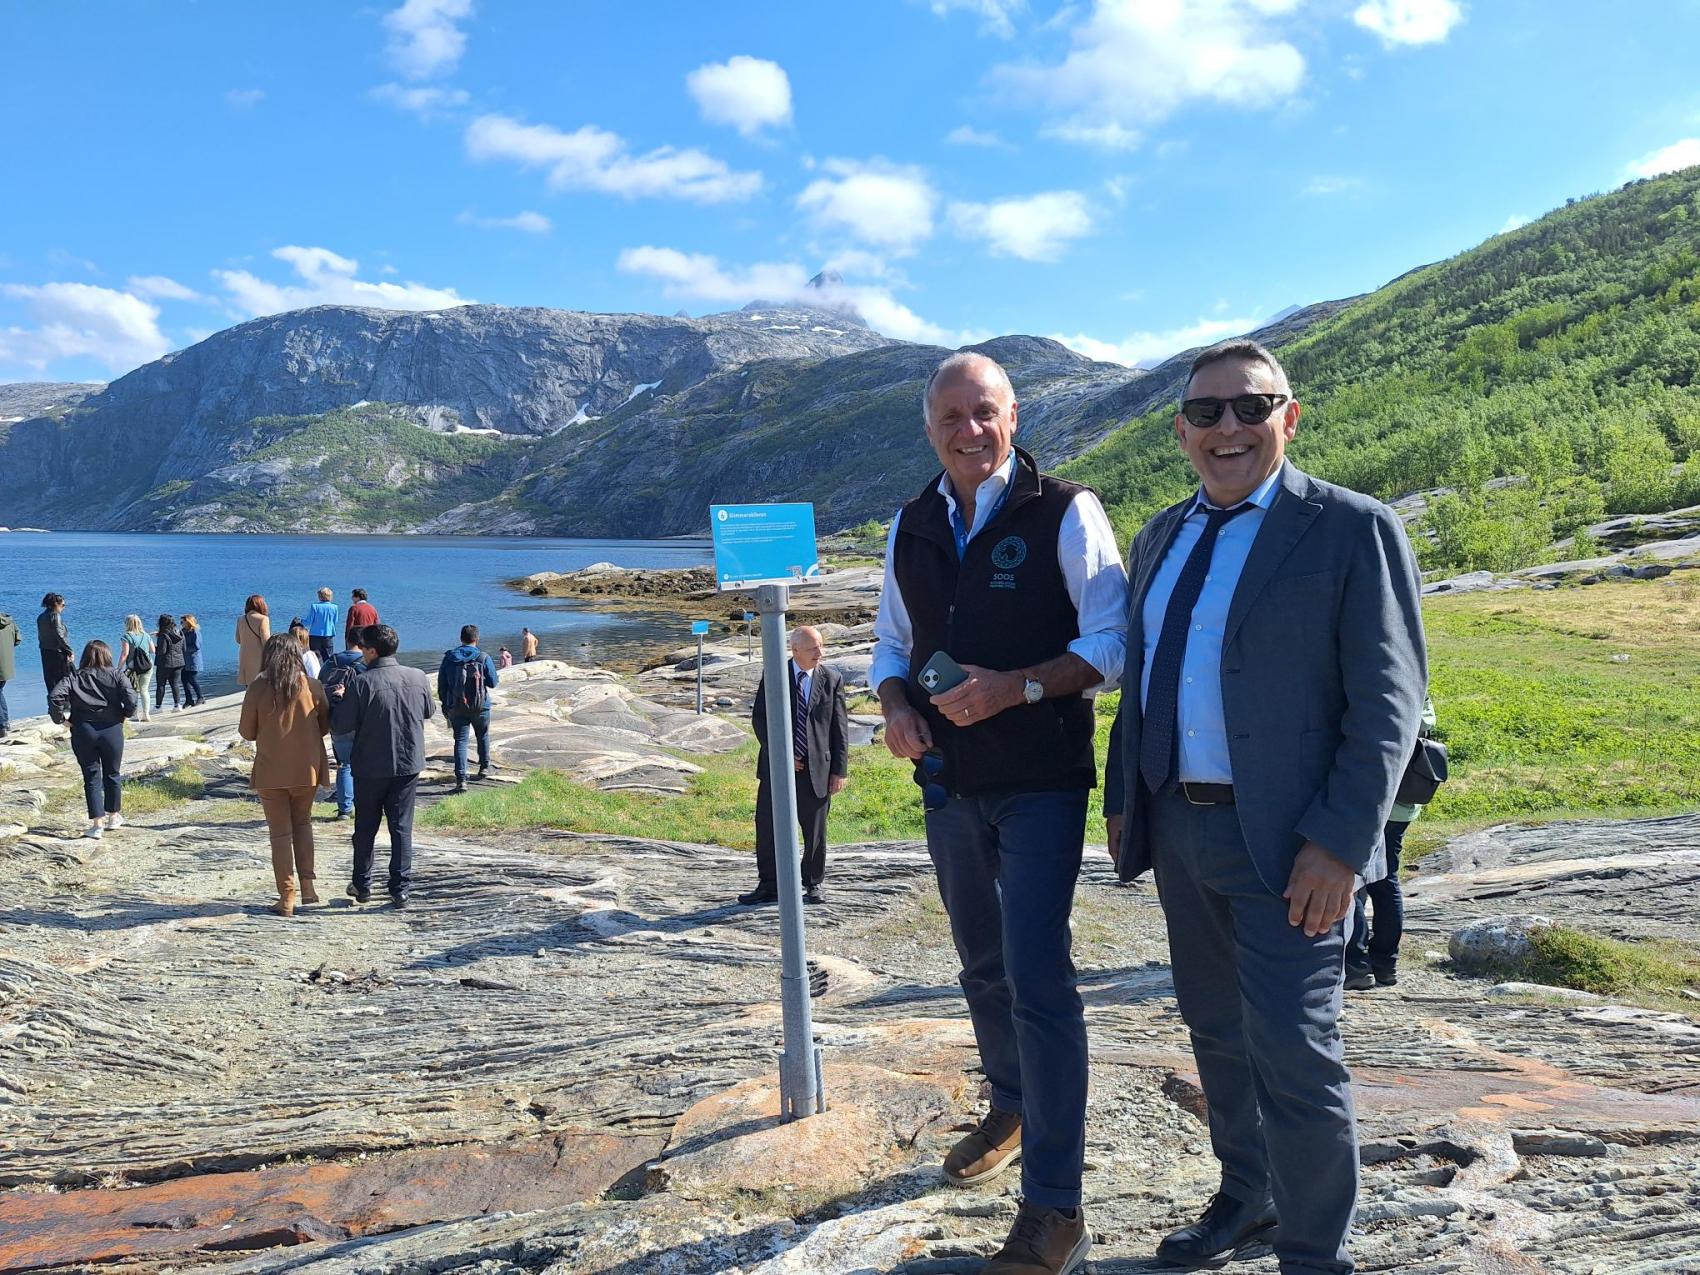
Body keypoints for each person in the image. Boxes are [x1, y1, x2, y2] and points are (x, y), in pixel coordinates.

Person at [1103, 339, 1426, 1275]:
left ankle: (1314, 1253)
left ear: (1289, 416)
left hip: (1293, 844)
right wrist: (1128, 799)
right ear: (1181, 431)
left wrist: (1342, 844)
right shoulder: (1160, 534)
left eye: (1251, 407)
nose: (1229, 428)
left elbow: (1388, 703)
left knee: (1294, 1048)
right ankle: (1249, 1196)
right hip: (1180, 827)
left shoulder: (1351, 527)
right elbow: (1146, 681)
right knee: (1216, 1032)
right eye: (1206, 412)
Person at [870, 351, 1129, 1274]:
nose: (969, 430)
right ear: (929, 428)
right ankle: (1012, 1104)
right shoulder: (909, 524)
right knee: (981, 963)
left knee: (1038, 974)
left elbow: (1112, 644)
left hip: (1042, 783)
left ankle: (1056, 1206)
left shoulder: (1066, 510)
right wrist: (896, 707)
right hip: (950, 784)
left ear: (1013, 416)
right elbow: (891, 645)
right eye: (951, 416)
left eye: (984, 412)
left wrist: (1017, 686)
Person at [740, 625, 849, 907]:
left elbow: (839, 728)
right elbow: (760, 720)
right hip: (778, 770)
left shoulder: (832, 679)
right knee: (767, 828)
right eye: (813, 648)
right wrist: (783, 755)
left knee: (815, 832)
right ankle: (770, 885)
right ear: (795, 649)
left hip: (818, 770)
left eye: (821, 646)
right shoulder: (775, 675)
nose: (819, 653)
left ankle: (813, 883)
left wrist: (840, 771)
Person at [1345, 694, 1438, 991]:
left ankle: (1356, 963)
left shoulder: (1381, 688)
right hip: (1403, 803)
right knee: (1386, 880)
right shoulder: (1417, 690)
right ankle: (1385, 964)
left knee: (1351, 877)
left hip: (1374, 801)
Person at [238, 633, 331, 917]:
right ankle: (309, 889)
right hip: (307, 769)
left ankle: (287, 896)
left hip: (271, 771)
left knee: (280, 835)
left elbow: (247, 732)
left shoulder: (258, 687)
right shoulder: (313, 686)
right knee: (303, 824)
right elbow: (324, 727)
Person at [349, 624, 435, 908]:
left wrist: (338, 699)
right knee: (401, 828)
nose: (361, 652)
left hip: (369, 766)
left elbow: (341, 724)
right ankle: (400, 889)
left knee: (365, 828)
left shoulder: (361, 682)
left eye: (363, 648)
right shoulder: (418, 676)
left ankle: (362, 885)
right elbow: (429, 711)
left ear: (372, 651)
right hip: (408, 764)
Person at [48, 640, 136, 839]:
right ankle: (114, 816)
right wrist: (125, 714)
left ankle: (97, 825)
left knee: (91, 776)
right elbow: (131, 698)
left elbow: (55, 697)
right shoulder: (117, 675)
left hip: (83, 730)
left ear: (85, 656)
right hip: (112, 729)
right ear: (108, 655)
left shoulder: (74, 677)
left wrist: (61, 719)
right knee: (113, 773)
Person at [437, 624, 500, 794]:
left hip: (457, 706)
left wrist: (445, 705)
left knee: (461, 741)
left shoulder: (449, 658)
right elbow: (493, 683)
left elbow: (442, 685)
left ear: (461, 638)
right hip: (481, 706)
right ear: (476, 639)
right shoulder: (483, 657)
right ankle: (484, 767)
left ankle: (461, 780)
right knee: (483, 735)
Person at [320, 634, 367, 819]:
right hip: (361, 721)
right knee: (366, 765)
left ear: (347, 641)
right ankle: (364, 805)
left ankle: (344, 809)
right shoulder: (366, 663)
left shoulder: (330, 662)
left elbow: (319, 688)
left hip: (336, 719)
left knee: (344, 764)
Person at [120, 614, 155, 723]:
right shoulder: (146, 635)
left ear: (127, 624)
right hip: (147, 666)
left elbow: (125, 654)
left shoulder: (126, 636)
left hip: (133, 668)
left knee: (133, 691)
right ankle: (146, 714)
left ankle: (134, 715)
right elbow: (153, 650)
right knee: (144, 690)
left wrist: (118, 668)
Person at [37, 593, 73, 696]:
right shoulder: (55, 616)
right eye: (63, 605)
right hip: (57, 653)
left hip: (45, 651)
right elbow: (59, 635)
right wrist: (70, 651)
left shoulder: (41, 617)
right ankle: (64, 702)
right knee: (64, 680)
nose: (64, 607)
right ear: (56, 604)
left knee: (50, 680)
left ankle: (52, 702)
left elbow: (41, 637)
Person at [153, 614, 186, 711]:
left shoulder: (163, 635)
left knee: (161, 685)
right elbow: (184, 648)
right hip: (179, 662)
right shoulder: (180, 632)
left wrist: (153, 648)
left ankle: (158, 707)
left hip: (164, 663)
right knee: (175, 684)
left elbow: (162, 651)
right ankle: (177, 705)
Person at [236, 596, 270, 688]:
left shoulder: (240, 619)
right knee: (261, 687)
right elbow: (266, 642)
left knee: (249, 688)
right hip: (259, 659)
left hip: (244, 658)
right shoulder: (263, 619)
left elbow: (238, 639)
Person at [305, 588, 339, 663]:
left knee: (315, 656)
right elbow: (335, 621)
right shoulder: (335, 607)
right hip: (328, 634)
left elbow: (308, 621)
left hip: (315, 635)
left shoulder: (315, 606)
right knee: (328, 656)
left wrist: (300, 621)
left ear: (320, 596)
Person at [0, 608, 19, 738]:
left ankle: (2, 726)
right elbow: (18, 640)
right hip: (6, 666)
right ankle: (5, 723)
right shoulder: (10, 621)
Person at [180, 614, 206, 707]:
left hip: (193, 660)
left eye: (182, 622)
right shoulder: (182, 632)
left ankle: (200, 697)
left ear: (188, 622)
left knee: (192, 679)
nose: (181, 624)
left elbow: (196, 646)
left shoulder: (195, 632)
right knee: (184, 680)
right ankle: (189, 700)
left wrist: (183, 649)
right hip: (184, 660)